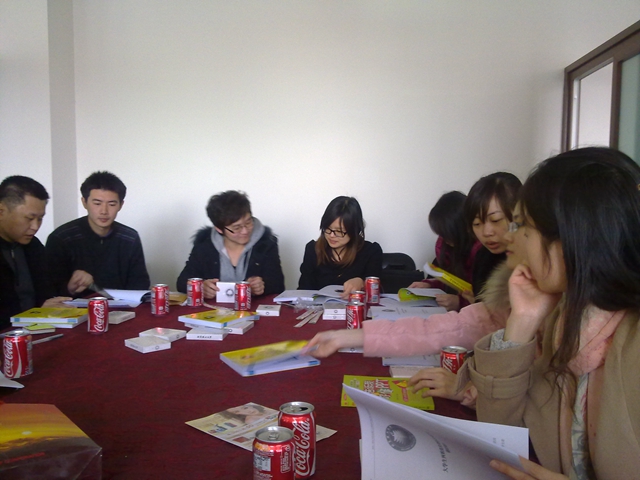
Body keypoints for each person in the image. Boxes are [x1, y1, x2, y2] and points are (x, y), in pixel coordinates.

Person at [463, 147, 640, 479]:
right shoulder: (564, 318)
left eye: (523, 225)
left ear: (573, 235)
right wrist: (521, 323)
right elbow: (500, 434)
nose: (511, 237)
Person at [305, 201, 526, 375]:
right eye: (477, 224)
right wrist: (346, 337)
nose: (501, 234)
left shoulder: (490, 264)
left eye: (514, 225)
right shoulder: (506, 288)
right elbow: (439, 329)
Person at [46, 171, 150, 296]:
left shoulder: (130, 238)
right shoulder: (62, 238)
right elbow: (49, 291)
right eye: (97, 203)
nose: (104, 211)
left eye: (112, 204)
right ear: (84, 202)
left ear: (121, 205)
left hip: (123, 307)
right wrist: (69, 288)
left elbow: (140, 285)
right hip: (75, 307)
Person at [177, 190, 284, 298]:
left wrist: (262, 286)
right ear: (219, 229)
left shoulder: (266, 244)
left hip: (253, 307)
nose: (245, 231)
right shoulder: (204, 246)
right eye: (236, 228)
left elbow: (278, 285)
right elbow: (182, 282)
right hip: (213, 308)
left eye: (248, 222)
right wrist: (201, 287)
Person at [0, 176, 70, 329]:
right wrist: (34, 313)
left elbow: (47, 292)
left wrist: (68, 289)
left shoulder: (33, 246)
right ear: (1, 211)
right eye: (29, 218)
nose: (35, 226)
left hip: (36, 330)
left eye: (40, 219)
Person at [409, 191, 482, 311]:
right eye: (441, 234)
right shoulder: (445, 248)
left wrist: (460, 303)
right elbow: (451, 281)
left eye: (448, 234)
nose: (445, 240)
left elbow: (486, 300)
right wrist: (429, 285)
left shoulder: (482, 252)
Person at [298, 196, 382, 300]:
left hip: (355, 309)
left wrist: (362, 282)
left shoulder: (371, 251)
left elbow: (376, 293)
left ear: (355, 230)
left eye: (339, 231)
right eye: (327, 228)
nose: (331, 235)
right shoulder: (313, 249)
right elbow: (303, 290)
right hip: (319, 309)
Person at [464, 171, 521, 299]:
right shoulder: (482, 256)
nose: (486, 232)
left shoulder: (531, 260)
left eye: (496, 220)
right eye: (477, 224)